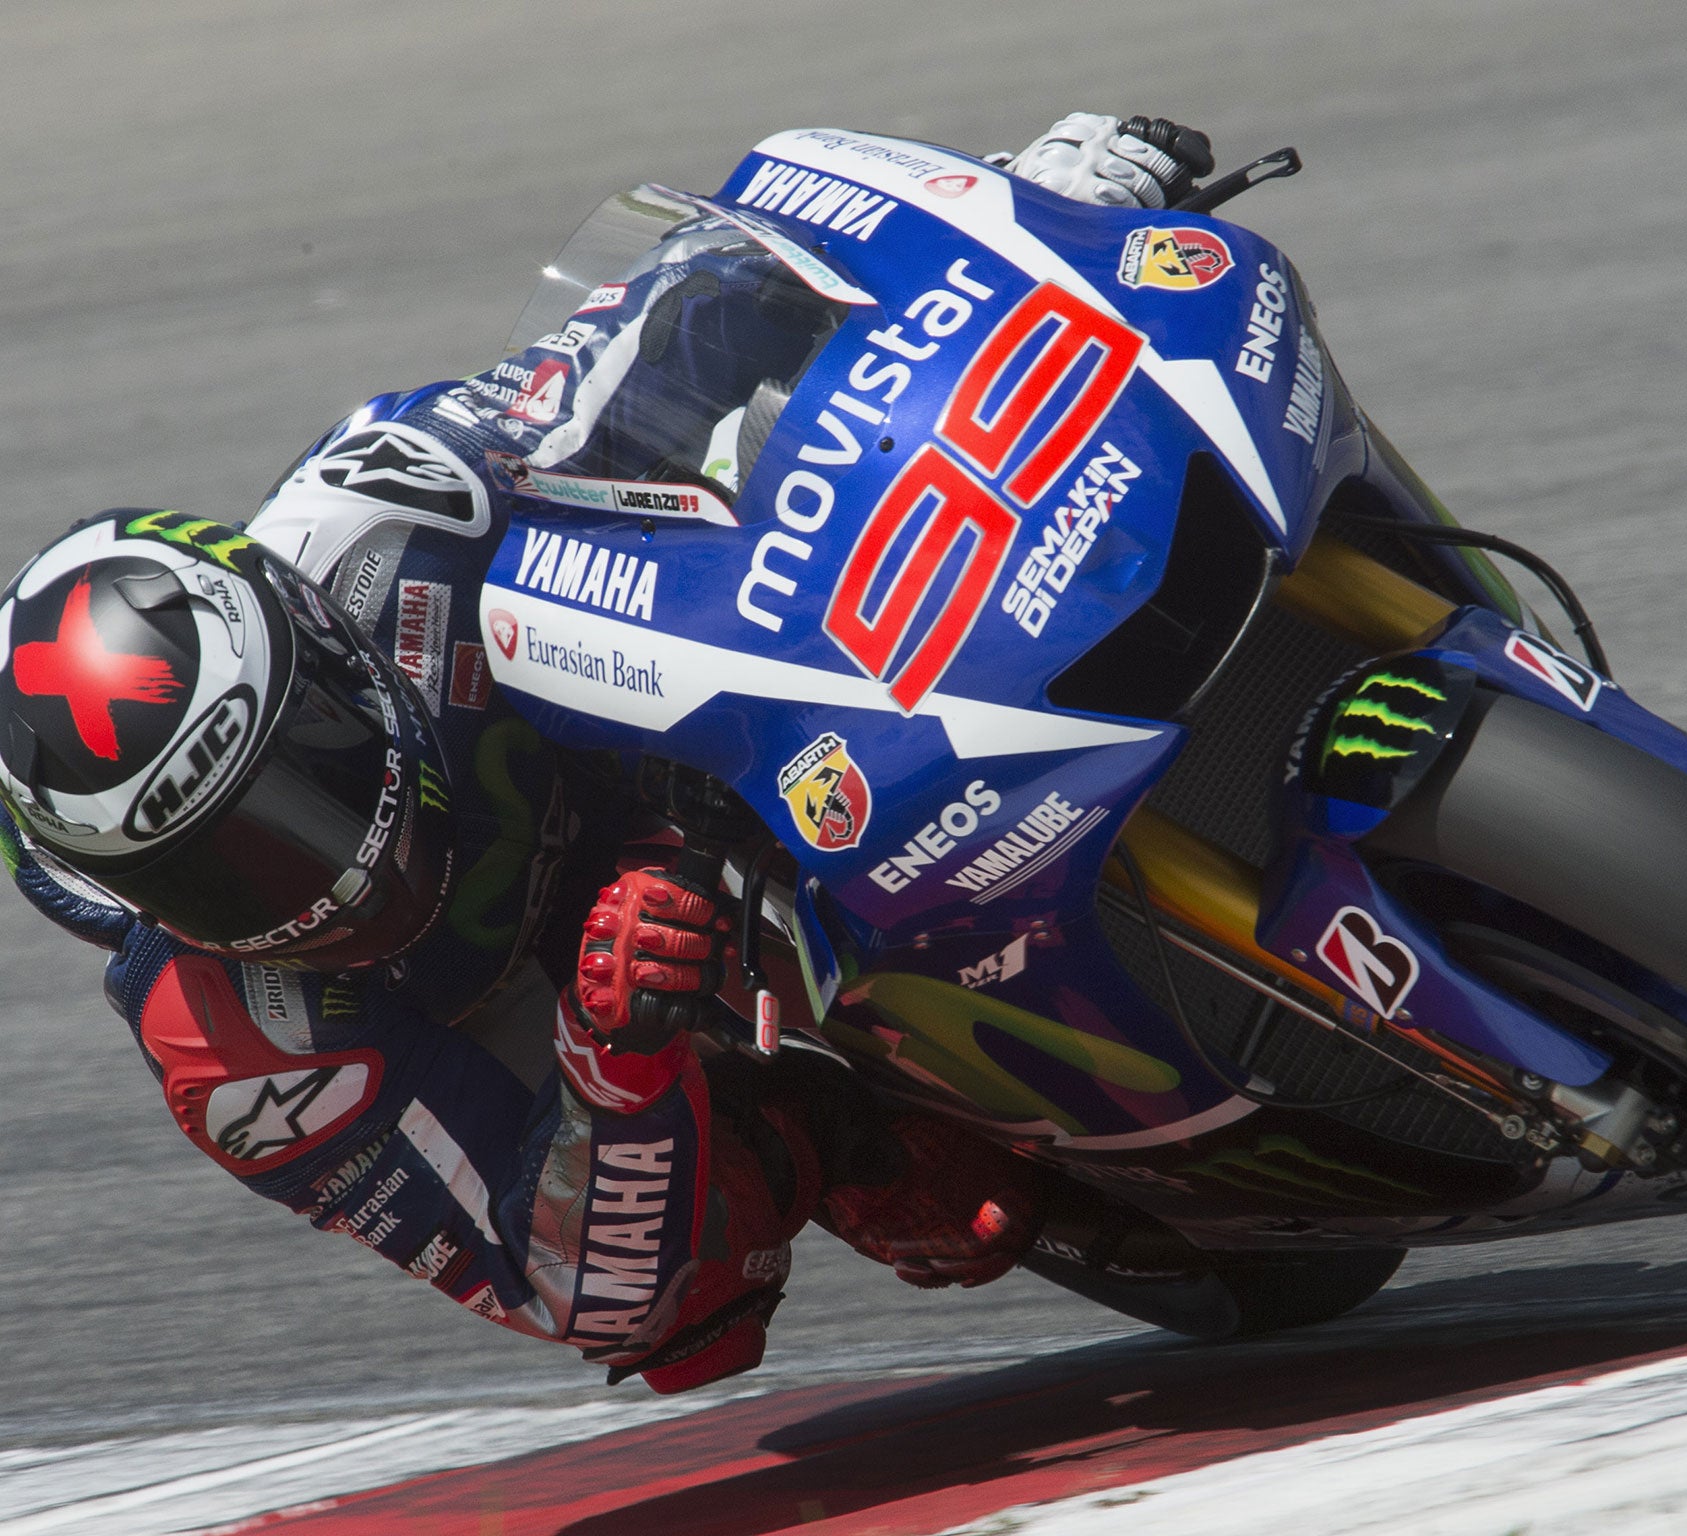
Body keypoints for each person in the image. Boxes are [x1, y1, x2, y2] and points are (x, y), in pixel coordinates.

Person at [0, 116, 1213, 1394]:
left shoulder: (389, 511)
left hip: (679, 754)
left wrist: (1021, 213)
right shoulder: (232, 1047)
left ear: (325, 651)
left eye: (301, 775)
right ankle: (837, 1128)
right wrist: (613, 1052)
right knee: (685, 1313)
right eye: (217, 872)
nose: (308, 878)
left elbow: (666, 324)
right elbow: (570, 1289)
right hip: (572, 1006)